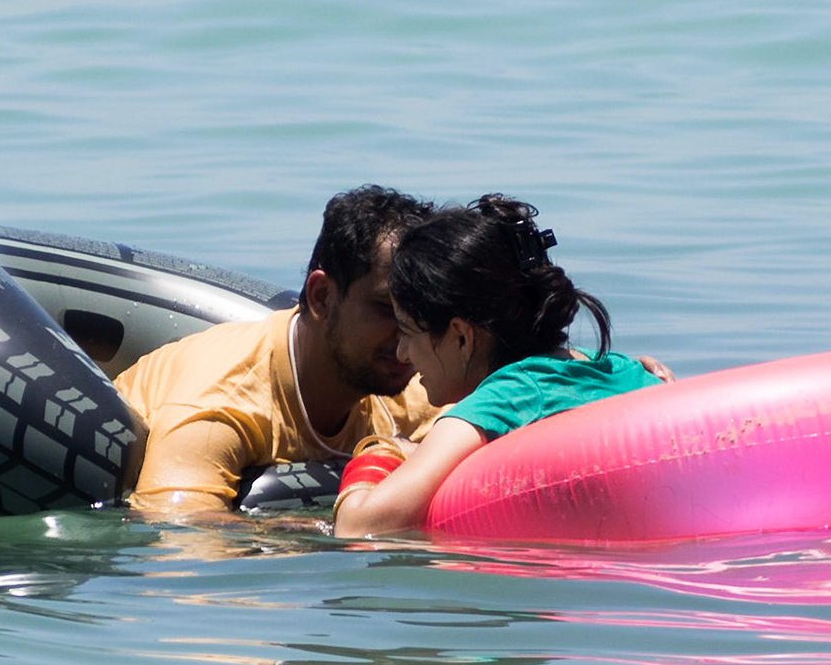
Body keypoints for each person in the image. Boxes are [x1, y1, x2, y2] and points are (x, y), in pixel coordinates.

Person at [331, 195, 662, 538]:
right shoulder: (624, 370)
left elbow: (358, 527)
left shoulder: (502, 401)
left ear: (460, 336)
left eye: (408, 331)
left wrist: (382, 451)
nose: (402, 353)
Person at [112, 186, 444, 514]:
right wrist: (302, 541)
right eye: (386, 309)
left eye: (418, 314)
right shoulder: (222, 400)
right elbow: (178, 535)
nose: (407, 336)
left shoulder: (407, 383)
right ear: (322, 298)